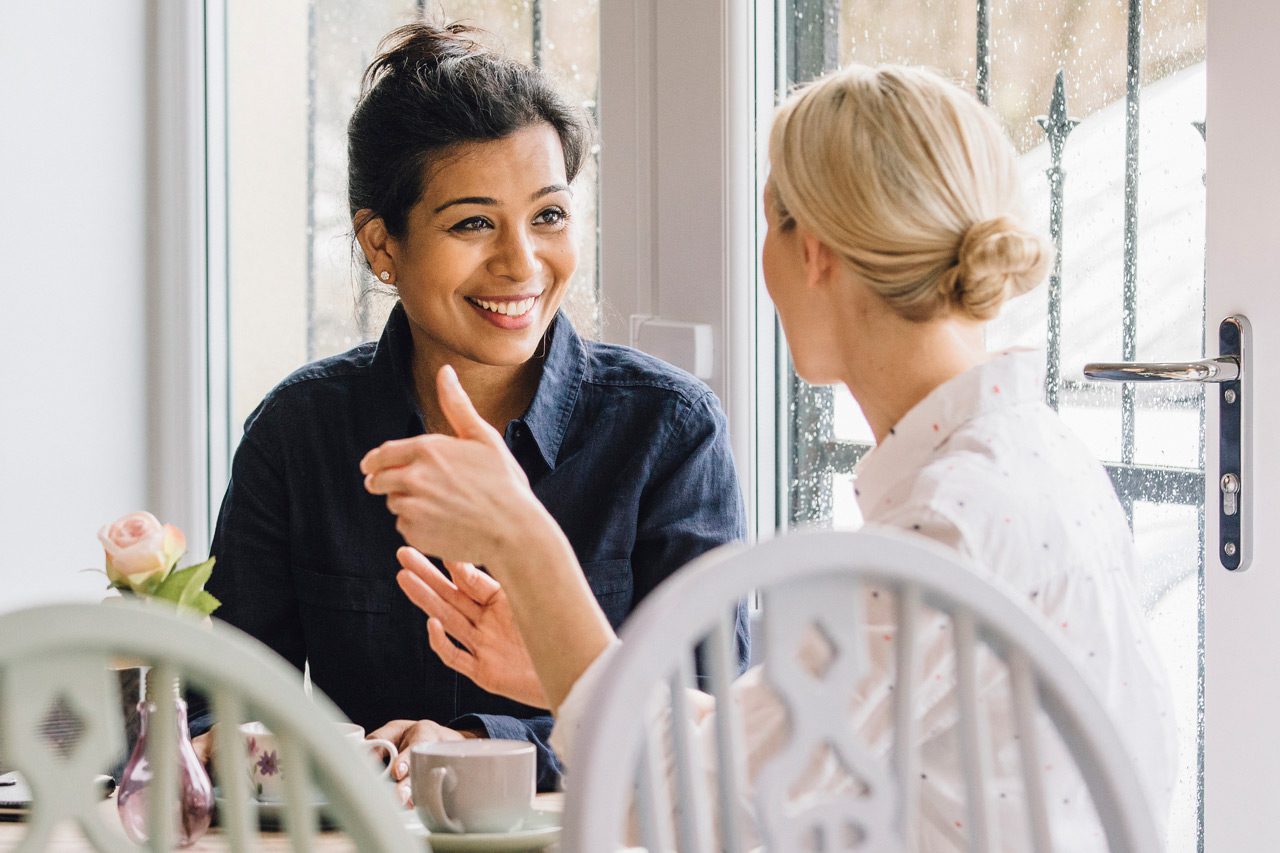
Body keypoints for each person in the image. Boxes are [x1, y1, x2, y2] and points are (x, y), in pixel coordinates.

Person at [376, 64, 1177, 846]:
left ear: (815, 251)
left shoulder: (947, 525)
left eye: (769, 222)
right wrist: (557, 661)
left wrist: (523, 535)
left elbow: (697, 815)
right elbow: (771, 749)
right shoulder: (1021, 466)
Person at [194, 21, 749, 798]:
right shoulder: (298, 433)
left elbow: (715, 728)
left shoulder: (670, 432)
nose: (522, 262)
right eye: (473, 223)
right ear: (381, 245)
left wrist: (473, 747)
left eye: (548, 216)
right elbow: (216, 708)